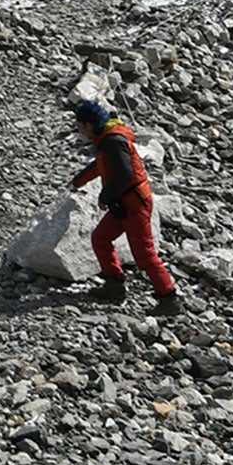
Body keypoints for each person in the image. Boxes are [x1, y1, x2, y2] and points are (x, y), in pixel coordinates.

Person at [70, 100, 179, 314]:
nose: (80, 130)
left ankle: (169, 299)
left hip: (134, 204)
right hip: (123, 203)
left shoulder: (113, 141)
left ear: (90, 125)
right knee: (100, 238)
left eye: (81, 126)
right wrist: (78, 181)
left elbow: (125, 174)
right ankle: (114, 285)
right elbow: (102, 166)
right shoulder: (107, 140)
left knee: (144, 254)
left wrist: (105, 196)